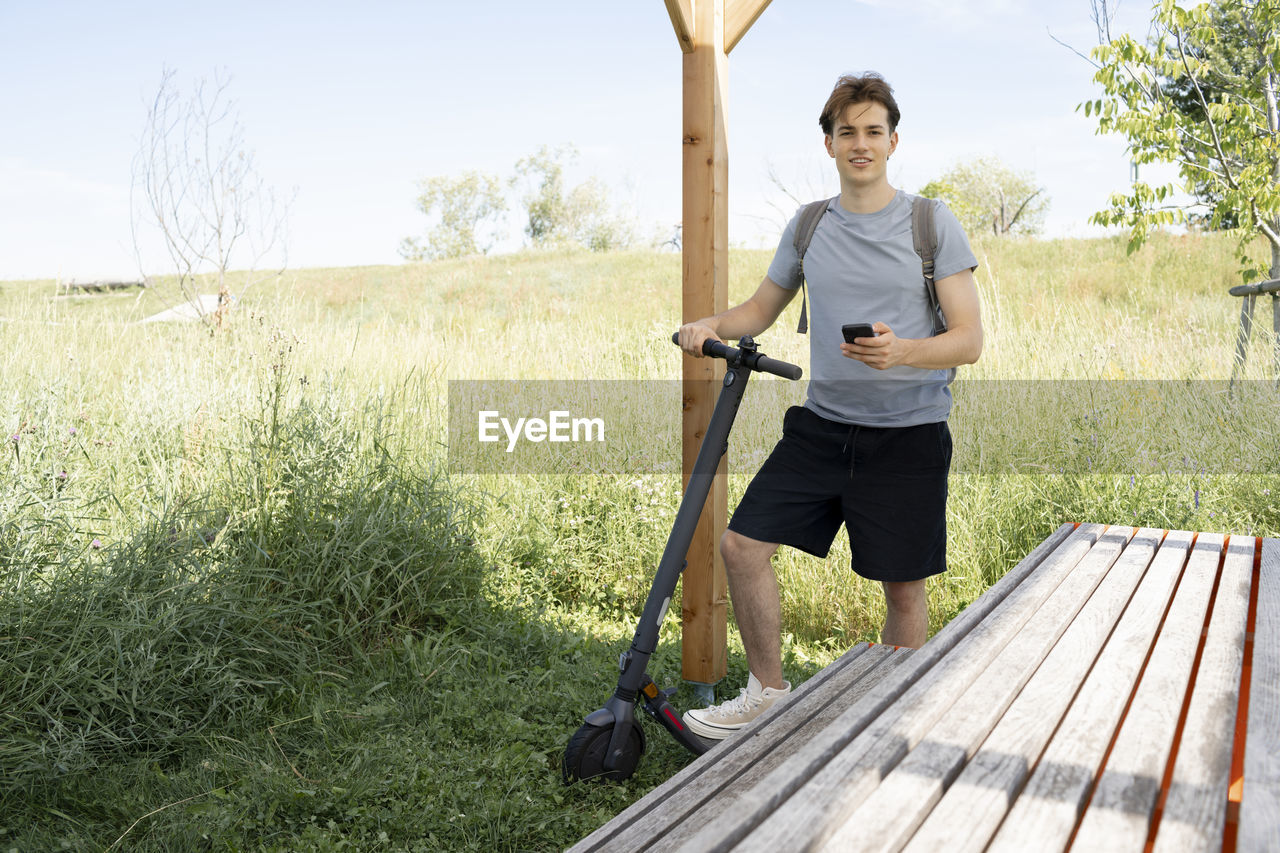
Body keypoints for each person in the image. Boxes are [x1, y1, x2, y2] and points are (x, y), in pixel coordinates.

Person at [676, 72, 982, 741]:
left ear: (893, 141)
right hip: (822, 428)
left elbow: (970, 338)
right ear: (830, 143)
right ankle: (768, 694)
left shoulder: (932, 223)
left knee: (901, 589)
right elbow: (761, 308)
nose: (861, 143)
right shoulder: (809, 225)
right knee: (741, 543)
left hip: (907, 435)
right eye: (848, 132)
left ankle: (891, 721)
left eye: (874, 131)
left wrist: (903, 353)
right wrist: (710, 326)